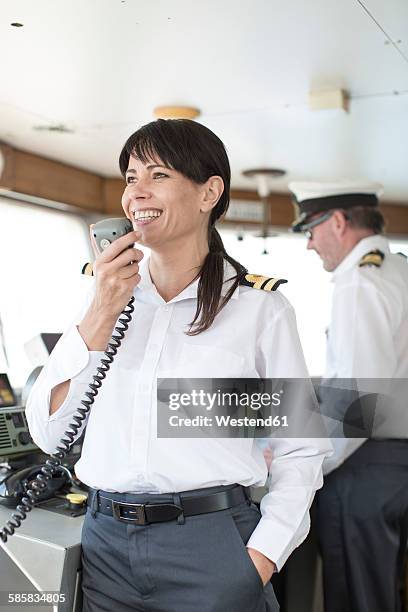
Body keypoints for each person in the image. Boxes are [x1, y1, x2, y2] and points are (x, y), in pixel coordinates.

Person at [25, 119, 331, 612]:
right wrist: (101, 311)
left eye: (158, 175)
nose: (136, 193)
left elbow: (300, 451)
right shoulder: (103, 298)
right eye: (130, 178)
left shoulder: (260, 308)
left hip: (214, 548)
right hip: (106, 550)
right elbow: (49, 433)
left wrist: (261, 556)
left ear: (210, 191)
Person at [290, 180, 408, 612]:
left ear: (337, 223)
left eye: (310, 230)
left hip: (365, 466)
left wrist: (307, 461)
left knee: (358, 597)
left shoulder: (358, 282)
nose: (309, 245)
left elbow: (359, 403)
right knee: (380, 589)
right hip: (394, 462)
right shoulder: (398, 267)